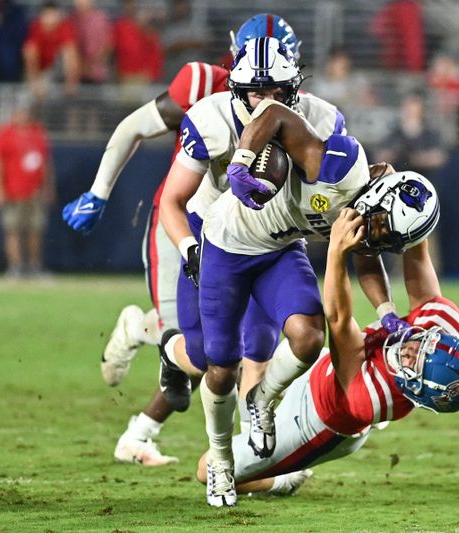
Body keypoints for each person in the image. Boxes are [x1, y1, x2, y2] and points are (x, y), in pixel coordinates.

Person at [159, 56, 437, 503]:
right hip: (228, 245)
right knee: (221, 367)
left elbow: (367, 263)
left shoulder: (366, 215)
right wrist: (240, 167)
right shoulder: (339, 167)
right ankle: (222, 464)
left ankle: (263, 402)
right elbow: (273, 115)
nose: (380, 237)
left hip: (278, 251)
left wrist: (387, 315)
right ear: (382, 199)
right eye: (386, 229)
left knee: (309, 336)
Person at [62, 16, 303, 467]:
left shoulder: (298, 105)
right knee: (204, 353)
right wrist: (98, 192)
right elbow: (133, 127)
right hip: (183, 223)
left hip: (246, 235)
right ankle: (143, 330)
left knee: (224, 355)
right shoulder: (200, 84)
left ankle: (141, 434)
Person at [186, 209, 459, 497]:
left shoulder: (376, 397)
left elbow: (338, 319)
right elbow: (417, 253)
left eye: (414, 361)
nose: (410, 347)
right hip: (322, 364)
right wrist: (409, 210)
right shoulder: (443, 323)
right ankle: (178, 359)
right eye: (422, 345)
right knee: (252, 353)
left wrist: (336, 251)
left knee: (206, 469)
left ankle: (283, 481)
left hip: (316, 421)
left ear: (414, 390)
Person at [377, 91, 447, 271]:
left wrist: (416, 158)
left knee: (428, 231)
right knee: (396, 231)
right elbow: (381, 157)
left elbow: (439, 157)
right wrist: (394, 154)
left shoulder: (428, 132)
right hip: (399, 194)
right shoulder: (396, 132)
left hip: (424, 192)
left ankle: (432, 269)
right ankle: (399, 270)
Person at [0, 98, 56, 278]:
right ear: (13, 114)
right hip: (12, 190)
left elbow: (46, 164)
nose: (24, 115)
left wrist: (48, 187)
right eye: (20, 112)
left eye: (26, 112)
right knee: (13, 229)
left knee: (35, 229)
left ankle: (34, 266)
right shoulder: (3, 134)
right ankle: (15, 267)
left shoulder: (38, 132)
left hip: (35, 191)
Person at [22, 1, 80, 98]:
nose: (50, 18)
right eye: (47, 15)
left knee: (68, 51)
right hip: (40, 71)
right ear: (42, 15)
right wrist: (35, 82)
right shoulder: (36, 27)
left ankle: (70, 85)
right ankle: (35, 84)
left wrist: (71, 81)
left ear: (58, 15)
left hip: (58, 70)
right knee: (29, 50)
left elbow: (71, 53)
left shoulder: (64, 27)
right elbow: (30, 54)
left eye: (53, 15)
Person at [69, 0, 112, 84]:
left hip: (97, 74)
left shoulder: (101, 18)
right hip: (76, 76)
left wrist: (91, 64)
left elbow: (108, 45)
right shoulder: (71, 19)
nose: (80, 2)